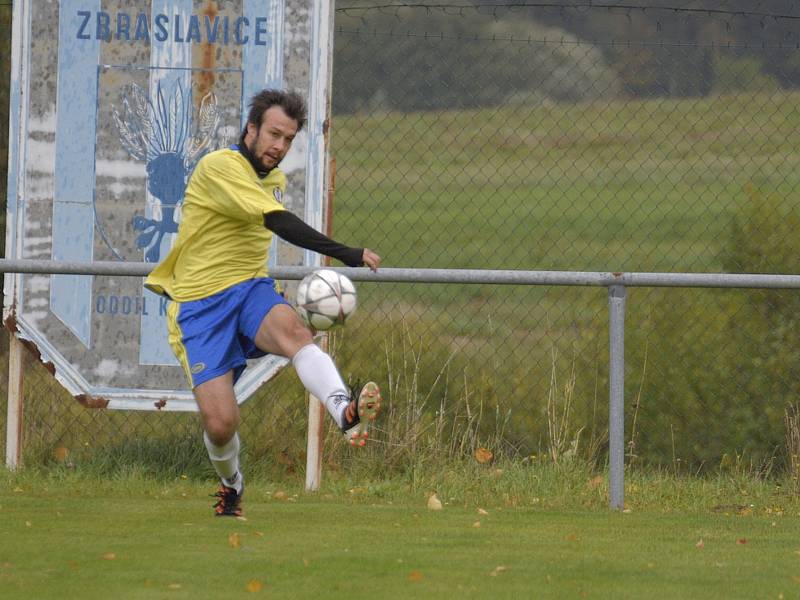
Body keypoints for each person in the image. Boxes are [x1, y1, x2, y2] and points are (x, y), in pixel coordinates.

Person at [145, 89, 382, 517]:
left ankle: (343, 412)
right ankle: (231, 483)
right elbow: (278, 222)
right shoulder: (220, 167)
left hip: (249, 290)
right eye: (274, 134)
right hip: (198, 307)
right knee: (221, 425)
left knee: (296, 333)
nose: (280, 146)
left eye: (289, 139)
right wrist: (346, 253)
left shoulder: (273, 179)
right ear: (250, 129)